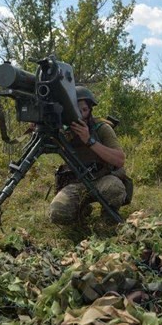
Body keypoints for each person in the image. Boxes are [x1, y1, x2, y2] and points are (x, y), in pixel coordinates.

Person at [49, 86, 128, 224]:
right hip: (75, 182)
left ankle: (108, 220)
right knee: (57, 214)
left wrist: (89, 140)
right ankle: (82, 212)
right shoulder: (63, 132)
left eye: (84, 110)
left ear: (90, 110)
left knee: (115, 189)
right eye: (75, 110)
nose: (80, 115)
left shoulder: (102, 128)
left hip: (101, 178)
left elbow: (119, 160)